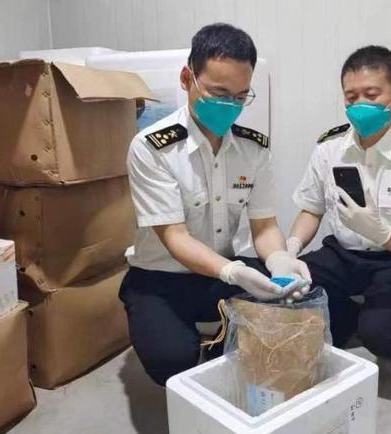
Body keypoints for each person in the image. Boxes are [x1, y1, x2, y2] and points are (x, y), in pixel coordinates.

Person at [120, 23, 311, 386]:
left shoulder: (254, 149)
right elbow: (174, 237)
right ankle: (199, 344)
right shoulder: (152, 148)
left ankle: (225, 341)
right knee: (173, 362)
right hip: (160, 278)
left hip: (220, 271)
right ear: (186, 78)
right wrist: (234, 273)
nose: (229, 106)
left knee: (293, 314)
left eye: (240, 96)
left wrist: (280, 259)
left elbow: (265, 226)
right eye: (218, 92)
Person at [287, 45, 391, 368]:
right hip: (343, 256)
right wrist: (290, 249)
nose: (360, 104)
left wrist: (383, 232)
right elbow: (311, 209)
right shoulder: (329, 147)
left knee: (383, 335)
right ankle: (346, 319)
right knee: (291, 290)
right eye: (351, 97)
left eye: (371, 94)